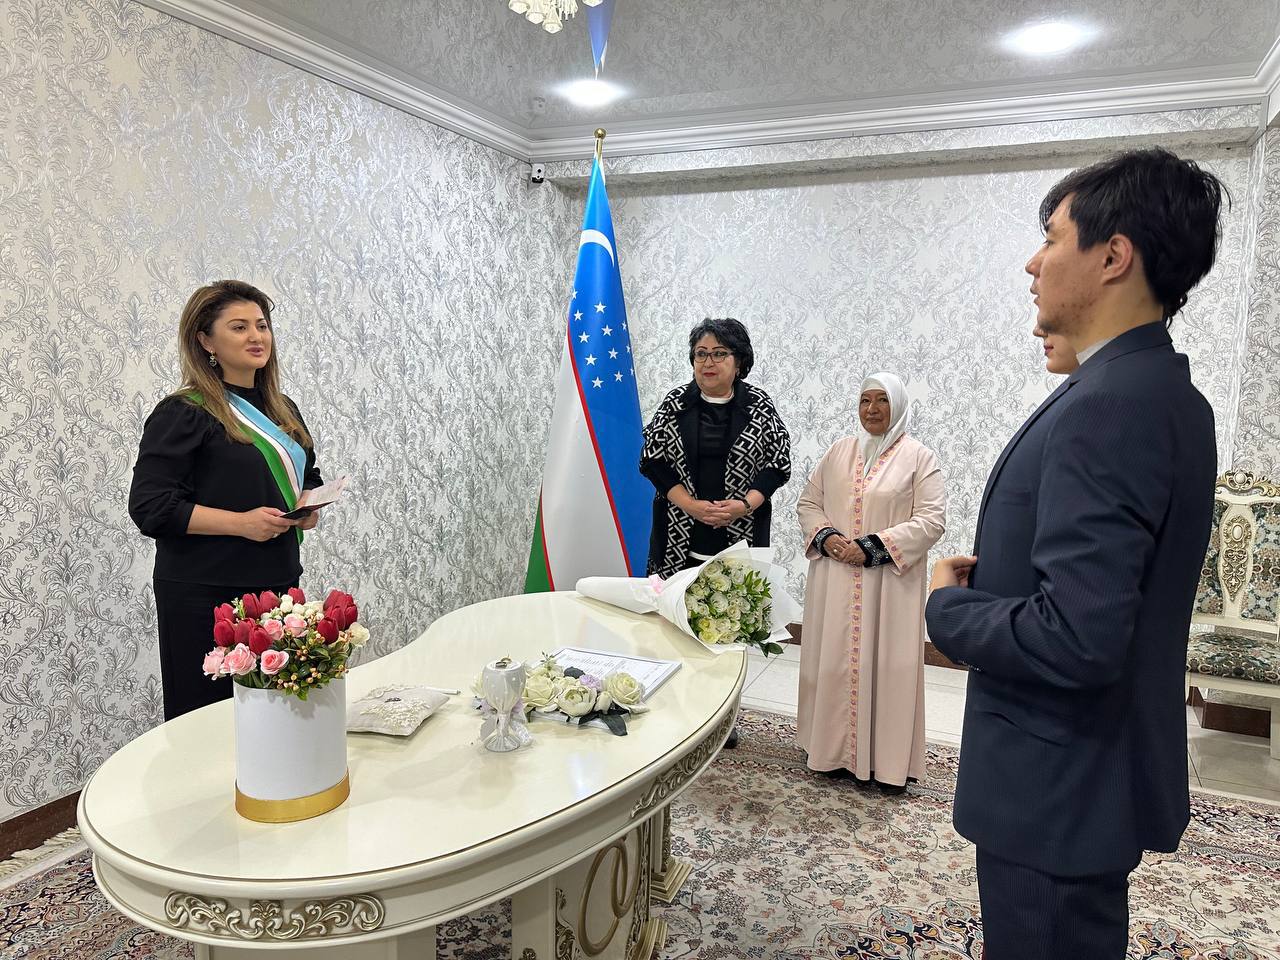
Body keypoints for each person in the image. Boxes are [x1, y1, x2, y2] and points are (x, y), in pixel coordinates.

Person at [925, 148, 1225, 959]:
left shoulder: (1111, 404)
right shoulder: (1160, 390)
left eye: (1051, 237)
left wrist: (950, 610)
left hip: (1055, 788)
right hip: (1083, 778)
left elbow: (1079, 636)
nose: (1033, 262)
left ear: (1113, 255)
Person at [130, 281, 325, 721]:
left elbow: (307, 473)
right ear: (206, 340)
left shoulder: (283, 408)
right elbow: (150, 506)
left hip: (277, 584)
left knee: (275, 716)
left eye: (262, 325)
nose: (256, 336)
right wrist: (241, 523)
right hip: (206, 595)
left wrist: (308, 505)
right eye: (239, 327)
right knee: (208, 722)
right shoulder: (183, 412)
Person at [796, 373, 946, 790]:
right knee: (833, 660)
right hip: (835, 580)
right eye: (865, 400)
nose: (872, 409)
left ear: (898, 406)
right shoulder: (838, 451)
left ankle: (888, 764)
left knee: (887, 667)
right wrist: (828, 538)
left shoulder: (919, 458)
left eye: (882, 400)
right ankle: (829, 753)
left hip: (888, 587)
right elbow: (808, 503)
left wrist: (873, 546)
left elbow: (932, 520)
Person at [640, 317, 791, 577]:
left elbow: (777, 464)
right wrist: (690, 504)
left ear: (739, 362)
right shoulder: (676, 403)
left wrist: (744, 505)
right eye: (701, 354)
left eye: (719, 354)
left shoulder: (758, 404)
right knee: (672, 601)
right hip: (677, 534)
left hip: (743, 531)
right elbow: (652, 461)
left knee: (738, 600)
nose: (708, 362)